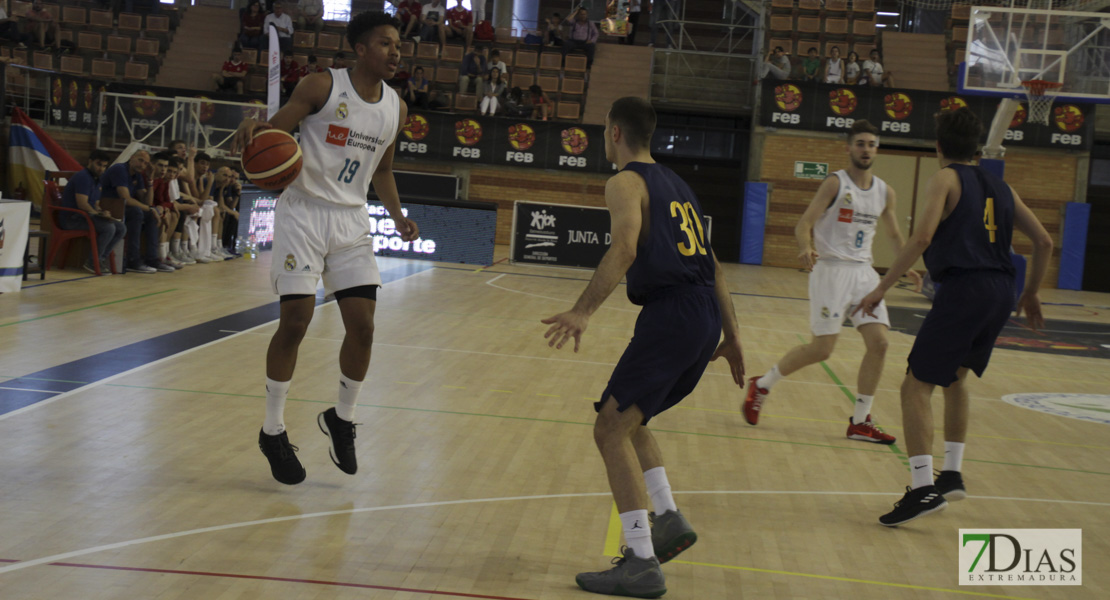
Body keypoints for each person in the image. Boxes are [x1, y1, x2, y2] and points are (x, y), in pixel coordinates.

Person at [542, 96, 746, 598]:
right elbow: (715, 268)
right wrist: (734, 337)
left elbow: (626, 246)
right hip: (701, 315)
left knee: (609, 428)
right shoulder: (679, 187)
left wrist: (583, 311)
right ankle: (668, 517)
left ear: (614, 132)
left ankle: (639, 558)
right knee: (631, 419)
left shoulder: (624, 182)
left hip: (673, 313)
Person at [232, 11, 418, 485]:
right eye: (385, 43)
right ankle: (273, 430)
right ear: (360, 49)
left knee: (365, 328)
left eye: (399, 45)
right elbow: (272, 136)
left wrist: (398, 217)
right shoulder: (321, 87)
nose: (395, 52)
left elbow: (383, 171)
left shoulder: (396, 107)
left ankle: (342, 417)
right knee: (296, 321)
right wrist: (253, 131)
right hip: (304, 212)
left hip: (351, 219)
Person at [855, 108, 1053, 526]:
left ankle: (924, 488)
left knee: (915, 386)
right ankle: (953, 473)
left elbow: (923, 237)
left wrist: (880, 287)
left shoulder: (945, 178)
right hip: (1002, 290)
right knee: (957, 377)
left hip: (966, 288)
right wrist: (1031, 291)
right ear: (979, 147)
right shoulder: (1001, 186)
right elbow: (1044, 240)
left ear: (938, 146)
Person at [744, 120, 921, 442]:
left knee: (880, 343)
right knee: (822, 349)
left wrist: (906, 264)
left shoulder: (885, 191)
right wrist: (805, 246)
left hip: (865, 274)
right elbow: (804, 224)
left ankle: (860, 420)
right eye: (861, 143)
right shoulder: (835, 184)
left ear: (876, 148)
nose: (866, 149)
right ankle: (762, 384)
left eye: (871, 144)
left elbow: (895, 234)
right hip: (831, 271)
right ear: (849, 148)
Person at [58, 150, 126, 275]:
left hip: (85, 216)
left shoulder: (98, 179)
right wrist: (98, 214)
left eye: (104, 166)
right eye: (98, 164)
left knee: (121, 228)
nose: (101, 169)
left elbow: (95, 204)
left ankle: (101, 258)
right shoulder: (83, 177)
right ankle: (92, 261)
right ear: (90, 162)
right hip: (72, 219)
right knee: (109, 228)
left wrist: (102, 212)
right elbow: (82, 204)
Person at [102, 150, 171, 273]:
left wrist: (150, 181)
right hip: (109, 207)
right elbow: (126, 199)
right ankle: (132, 260)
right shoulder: (120, 169)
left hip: (122, 208)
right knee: (137, 212)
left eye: (145, 163)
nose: (142, 165)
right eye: (140, 160)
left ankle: (152, 259)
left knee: (150, 215)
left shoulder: (137, 174)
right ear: (132, 157)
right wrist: (151, 208)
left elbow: (147, 201)